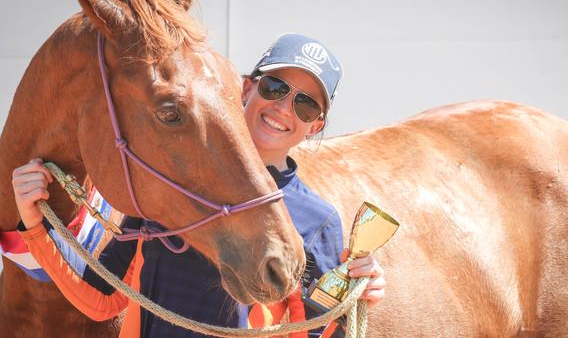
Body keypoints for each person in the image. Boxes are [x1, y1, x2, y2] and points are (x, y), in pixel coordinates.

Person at [11, 33, 385, 338]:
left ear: (315, 126)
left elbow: (316, 332)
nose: (284, 108)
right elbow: (100, 296)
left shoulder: (318, 220)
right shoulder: (173, 182)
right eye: (275, 87)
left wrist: (355, 297)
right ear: (245, 89)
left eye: (305, 106)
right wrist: (36, 224)